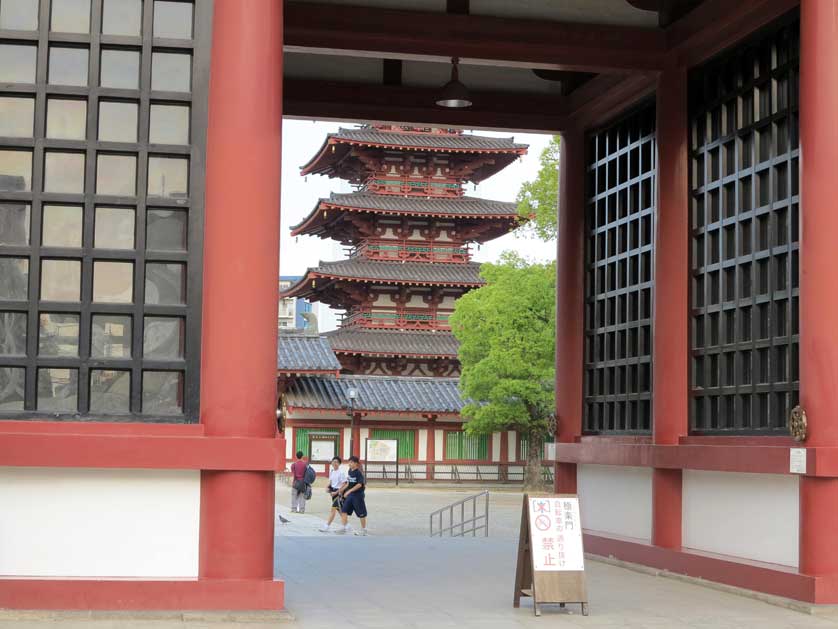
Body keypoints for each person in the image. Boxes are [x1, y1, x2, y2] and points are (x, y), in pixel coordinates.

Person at [336, 455, 368, 536]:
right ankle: (343, 527)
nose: (349, 464)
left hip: (358, 495)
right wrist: (341, 489)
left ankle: (363, 530)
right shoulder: (350, 471)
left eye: (351, 462)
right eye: (349, 462)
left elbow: (359, 485)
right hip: (350, 495)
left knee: (361, 513)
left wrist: (349, 491)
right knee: (344, 510)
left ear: (356, 463)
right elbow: (349, 483)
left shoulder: (359, 473)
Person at [319, 456, 347, 533]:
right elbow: (331, 482)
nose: (335, 463)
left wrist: (337, 492)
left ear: (339, 464)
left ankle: (327, 526)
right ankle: (347, 525)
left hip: (338, 493)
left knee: (333, 510)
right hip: (333, 492)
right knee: (340, 511)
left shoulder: (341, 473)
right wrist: (327, 487)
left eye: (336, 462)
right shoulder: (332, 471)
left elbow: (344, 484)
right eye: (333, 462)